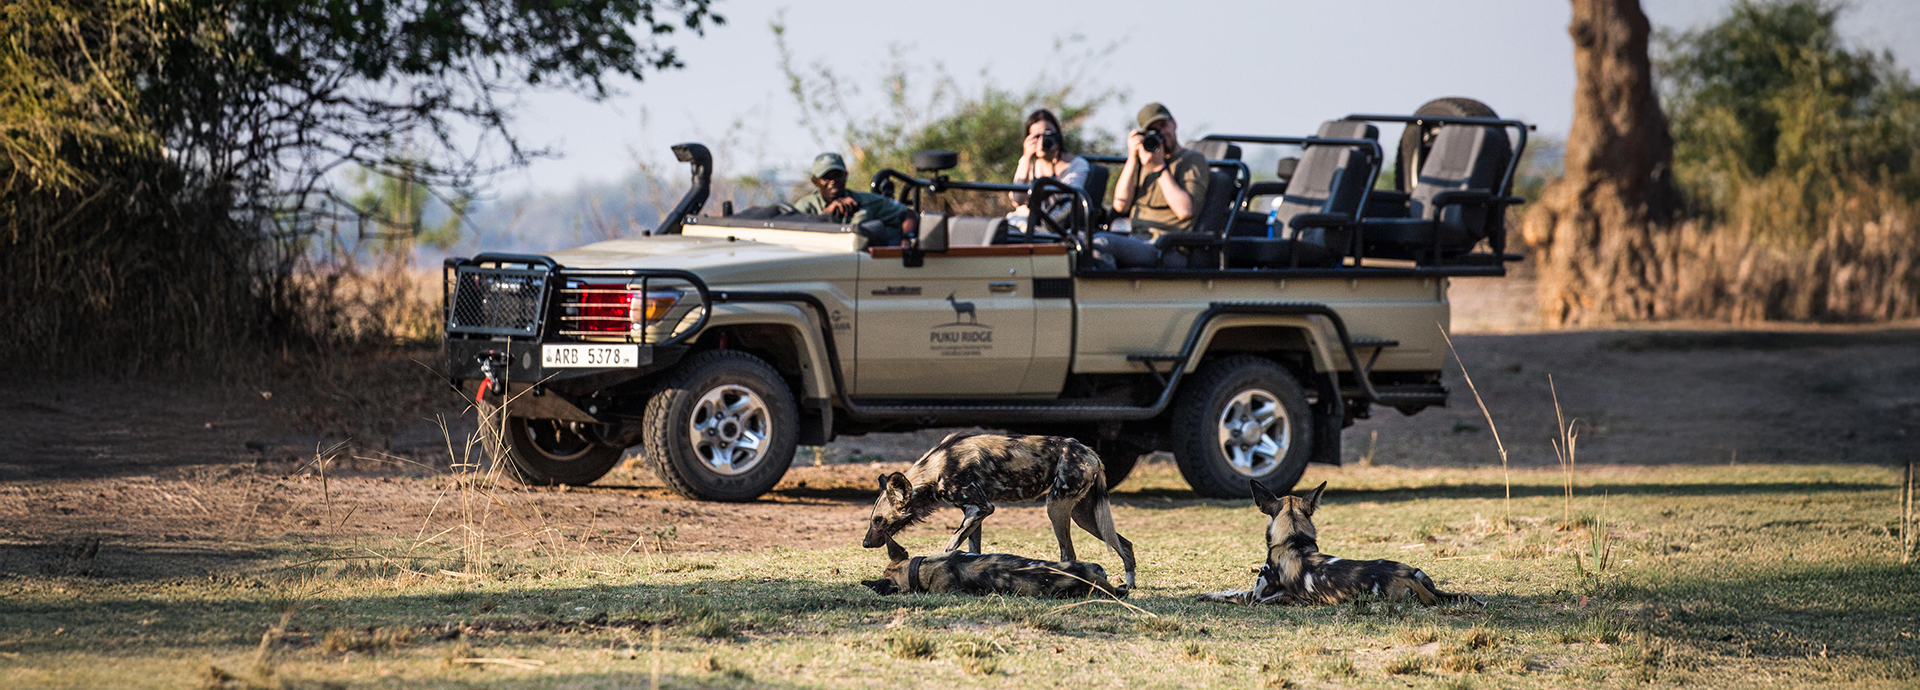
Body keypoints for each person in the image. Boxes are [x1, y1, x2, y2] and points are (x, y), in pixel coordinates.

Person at [1094, 102, 1211, 268]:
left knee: (1103, 244)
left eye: (1163, 126)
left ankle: (1109, 292)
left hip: (1169, 247)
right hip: (1137, 240)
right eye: (1153, 131)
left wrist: (1159, 168)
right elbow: (1120, 205)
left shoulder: (1192, 160)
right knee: (1084, 241)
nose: (1161, 134)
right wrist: (1132, 159)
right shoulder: (1144, 161)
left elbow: (1185, 210)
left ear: (1174, 123)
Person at [792, 152, 919, 246]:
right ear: (815, 182)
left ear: (846, 176)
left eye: (837, 175)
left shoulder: (867, 201)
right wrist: (827, 214)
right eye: (826, 177)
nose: (833, 181)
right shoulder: (805, 207)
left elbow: (908, 214)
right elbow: (791, 234)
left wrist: (907, 239)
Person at [1007, 109, 1090, 231]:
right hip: (1026, 222)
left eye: (1048, 135)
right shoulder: (1028, 162)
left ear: (1058, 136)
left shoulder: (1077, 165)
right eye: (1036, 137)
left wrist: (1049, 165)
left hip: (1058, 226)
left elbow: (1065, 207)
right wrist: (1026, 158)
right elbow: (1017, 200)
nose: (1042, 141)